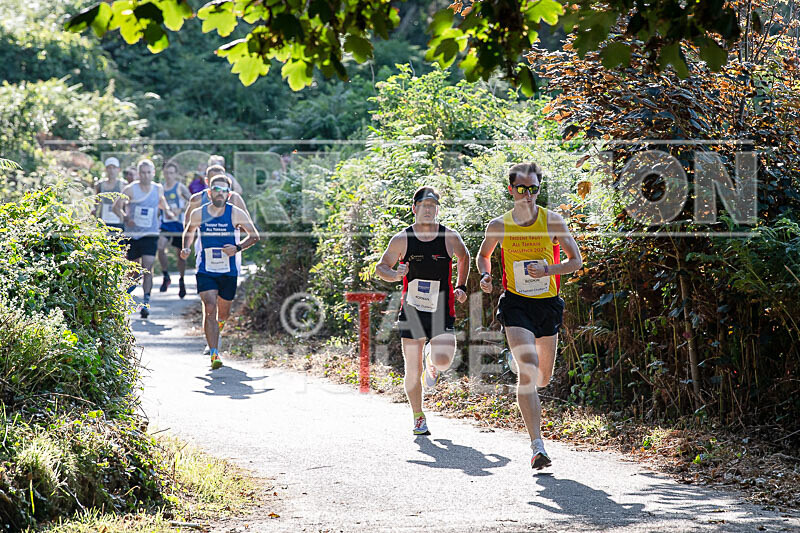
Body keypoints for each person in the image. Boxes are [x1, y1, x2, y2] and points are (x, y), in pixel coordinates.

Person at [476, 162, 583, 469]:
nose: (527, 195)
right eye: (521, 189)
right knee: (528, 370)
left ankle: (523, 367)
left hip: (547, 304)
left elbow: (575, 261)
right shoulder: (499, 225)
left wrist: (548, 269)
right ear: (511, 190)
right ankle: (537, 446)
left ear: (538, 189)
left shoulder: (553, 221)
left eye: (533, 189)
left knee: (543, 378)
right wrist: (485, 275)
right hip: (516, 304)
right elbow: (484, 255)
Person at [376, 186, 470, 436]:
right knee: (412, 369)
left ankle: (433, 361)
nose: (428, 210)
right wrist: (394, 274)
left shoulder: (449, 237)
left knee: (444, 360)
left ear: (437, 209)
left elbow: (464, 257)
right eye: (424, 205)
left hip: (441, 309)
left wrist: (461, 286)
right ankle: (418, 417)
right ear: (414, 208)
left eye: (433, 206)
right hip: (413, 310)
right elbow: (381, 267)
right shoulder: (402, 239)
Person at [180, 174, 259, 369]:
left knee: (224, 312)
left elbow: (254, 236)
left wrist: (237, 248)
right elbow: (189, 231)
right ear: (209, 192)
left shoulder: (236, 213)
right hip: (206, 269)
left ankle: (218, 329)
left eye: (224, 191)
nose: (220, 193)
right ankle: (214, 352)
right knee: (209, 306)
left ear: (229, 194)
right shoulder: (199, 213)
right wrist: (186, 248)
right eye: (216, 189)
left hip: (228, 270)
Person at [113, 159, 175, 319]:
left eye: (149, 172)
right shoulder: (130, 189)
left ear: (153, 173)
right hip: (133, 235)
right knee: (133, 271)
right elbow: (116, 207)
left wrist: (168, 211)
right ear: (138, 174)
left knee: (148, 266)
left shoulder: (158, 188)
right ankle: (122, 298)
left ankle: (146, 302)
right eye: (143, 173)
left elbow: (162, 202)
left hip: (150, 234)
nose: (146, 176)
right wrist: (126, 218)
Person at [157, 162, 192, 297]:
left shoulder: (180, 187)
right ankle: (166, 275)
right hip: (166, 224)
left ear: (176, 174)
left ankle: (181, 280)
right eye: (166, 173)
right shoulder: (160, 188)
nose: (168, 175)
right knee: (160, 247)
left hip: (178, 224)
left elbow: (193, 201)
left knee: (180, 255)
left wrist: (181, 209)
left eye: (171, 173)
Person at [94, 157, 124, 230]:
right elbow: (96, 202)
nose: (112, 170)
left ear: (118, 169)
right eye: (109, 168)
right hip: (103, 219)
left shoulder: (123, 184)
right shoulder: (100, 184)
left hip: (118, 219)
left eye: (114, 168)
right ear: (106, 169)